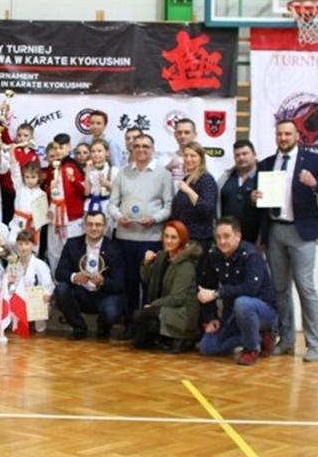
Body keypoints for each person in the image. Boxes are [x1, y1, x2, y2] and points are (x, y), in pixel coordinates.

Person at [255, 120, 318, 362]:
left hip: (302, 233)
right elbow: (260, 203)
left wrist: (315, 184)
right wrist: (254, 196)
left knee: (305, 287)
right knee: (280, 289)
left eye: (288, 134)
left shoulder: (312, 160)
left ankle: (314, 345)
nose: (283, 138)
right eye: (279, 134)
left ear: (297, 136)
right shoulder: (267, 163)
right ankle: (287, 340)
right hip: (275, 231)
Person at [108, 133, 173, 338]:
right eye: (137, 146)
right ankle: (130, 325)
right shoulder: (123, 173)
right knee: (128, 284)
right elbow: (112, 204)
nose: (141, 149)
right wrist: (118, 217)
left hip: (151, 238)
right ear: (132, 149)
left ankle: (147, 328)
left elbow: (169, 206)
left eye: (145, 146)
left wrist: (154, 218)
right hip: (125, 238)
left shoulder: (163, 174)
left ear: (153, 149)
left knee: (150, 285)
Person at [197, 217, 278, 366]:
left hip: (263, 310)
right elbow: (206, 287)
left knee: (243, 303)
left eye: (226, 236)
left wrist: (217, 294)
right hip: (233, 313)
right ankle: (258, 337)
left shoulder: (251, 255)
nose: (222, 241)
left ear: (238, 236)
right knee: (207, 347)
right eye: (218, 237)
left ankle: (251, 349)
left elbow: (250, 289)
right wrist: (211, 318)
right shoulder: (214, 255)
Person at [54, 211, 126, 340]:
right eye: (90, 224)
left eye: (98, 225)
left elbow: (120, 284)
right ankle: (79, 328)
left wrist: (103, 281)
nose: (94, 228)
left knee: (112, 310)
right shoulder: (72, 244)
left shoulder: (115, 248)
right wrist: (75, 277)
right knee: (61, 289)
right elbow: (59, 273)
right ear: (84, 226)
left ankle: (103, 330)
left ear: (105, 227)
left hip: (104, 295)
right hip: (80, 293)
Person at [133, 220, 201, 353]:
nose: (168, 241)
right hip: (165, 306)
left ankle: (183, 337)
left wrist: (153, 305)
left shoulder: (186, 265)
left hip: (181, 311)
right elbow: (146, 278)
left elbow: (178, 298)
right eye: (166, 236)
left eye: (173, 237)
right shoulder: (162, 256)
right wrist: (146, 263)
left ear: (182, 239)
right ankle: (165, 337)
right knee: (139, 343)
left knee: (140, 315)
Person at [45, 133, 85, 275]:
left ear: (68, 148)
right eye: (55, 148)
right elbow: (50, 192)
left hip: (71, 217)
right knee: (53, 250)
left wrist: (73, 179)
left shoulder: (73, 167)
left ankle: (74, 281)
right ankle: (55, 280)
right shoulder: (52, 168)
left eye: (61, 148)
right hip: (54, 216)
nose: (57, 151)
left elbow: (84, 191)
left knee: (72, 251)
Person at [170, 141, 217, 253]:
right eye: (185, 155)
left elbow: (207, 209)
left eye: (193, 156)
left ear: (201, 158)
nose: (188, 159)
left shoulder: (206, 179)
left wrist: (189, 191)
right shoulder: (187, 179)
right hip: (184, 236)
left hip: (198, 240)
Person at [217, 139, 260, 244]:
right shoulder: (226, 177)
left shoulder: (264, 176)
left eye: (245, 154)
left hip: (255, 239)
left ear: (254, 154)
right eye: (237, 155)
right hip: (227, 239)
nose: (241, 158)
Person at [84, 139, 118, 236]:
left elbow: (119, 192)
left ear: (107, 153)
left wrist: (107, 184)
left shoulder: (114, 170)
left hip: (106, 206)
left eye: (99, 151)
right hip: (90, 205)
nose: (96, 154)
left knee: (105, 235)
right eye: (93, 151)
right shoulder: (89, 170)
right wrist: (87, 172)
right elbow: (86, 192)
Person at [163, 118, 198, 187]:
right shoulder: (165, 159)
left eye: (187, 132)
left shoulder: (205, 159)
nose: (183, 136)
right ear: (175, 135)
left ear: (195, 134)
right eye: (179, 133)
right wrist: (166, 170)